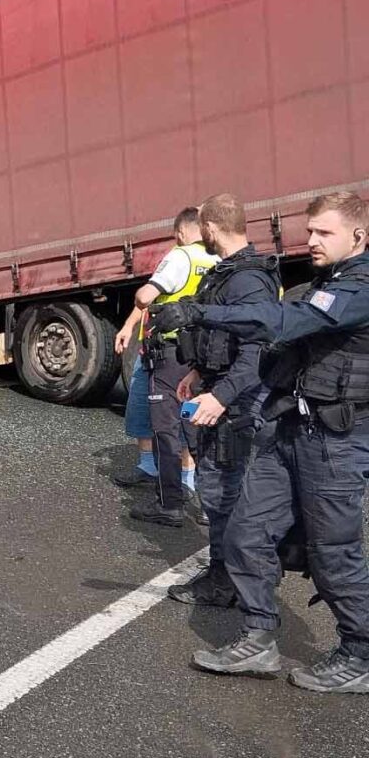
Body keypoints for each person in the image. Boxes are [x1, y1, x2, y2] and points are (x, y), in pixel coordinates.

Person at [150, 192, 369, 693]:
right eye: (309, 230)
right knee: (246, 531)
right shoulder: (328, 280)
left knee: (334, 553)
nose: (309, 240)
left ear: (358, 236)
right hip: (289, 431)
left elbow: (283, 321)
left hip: (336, 442)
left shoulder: (359, 288)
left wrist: (197, 314)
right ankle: (258, 637)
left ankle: (360, 652)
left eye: (323, 233)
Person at [166, 193, 281, 607]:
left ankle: (227, 580)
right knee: (219, 490)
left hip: (239, 403)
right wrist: (198, 372)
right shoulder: (229, 274)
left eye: (203, 231)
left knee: (224, 492)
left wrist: (220, 396)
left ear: (211, 228)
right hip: (222, 389)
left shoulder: (247, 279)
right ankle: (226, 572)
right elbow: (223, 337)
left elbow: (257, 351)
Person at [115, 208, 216, 521]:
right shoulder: (218, 261)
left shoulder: (180, 257)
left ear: (182, 232)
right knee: (193, 424)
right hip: (198, 359)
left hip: (170, 357)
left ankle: (170, 503)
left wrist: (140, 296)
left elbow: (147, 297)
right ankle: (213, 504)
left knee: (166, 428)